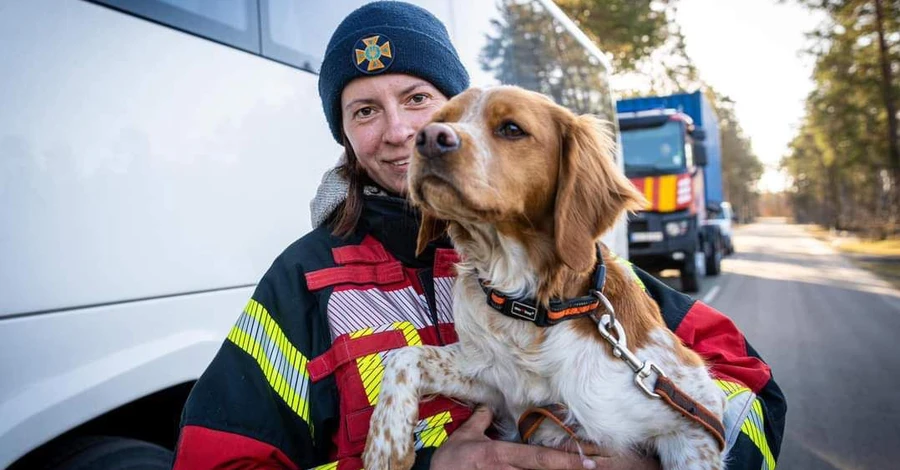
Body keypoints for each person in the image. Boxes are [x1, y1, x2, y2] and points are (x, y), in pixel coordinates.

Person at [172, 2, 786, 469]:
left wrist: (646, 460)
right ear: (346, 137)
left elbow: (752, 396)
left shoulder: (584, 275)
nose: (403, 132)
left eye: (420, 102)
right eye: (363, 110)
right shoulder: (303, 281)